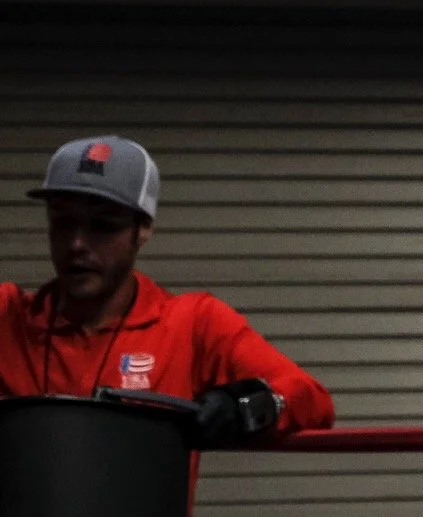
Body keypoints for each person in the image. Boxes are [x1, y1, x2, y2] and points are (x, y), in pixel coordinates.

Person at [0, 135, 336, 451]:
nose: (77, 244)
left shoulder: (191, 324)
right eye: (63, 222)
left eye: (103, 225)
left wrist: (246, 406)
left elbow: (312, 399)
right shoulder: (8, 316)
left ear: (143, 229)